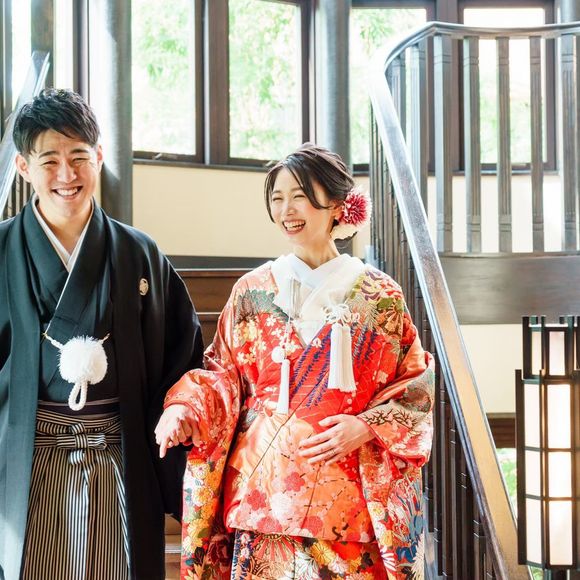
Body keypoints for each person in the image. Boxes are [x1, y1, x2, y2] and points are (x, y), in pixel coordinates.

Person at [155, 143, 434, 579]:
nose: (287, 209)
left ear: (337, 204)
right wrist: (183, 407)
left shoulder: (380, 295)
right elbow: (222, 374)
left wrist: (366, 426)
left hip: (348, 498)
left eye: (300, 196)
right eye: (277, 198)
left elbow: (414, 385)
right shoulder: (252, 290)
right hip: (264, 493)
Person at [0, 88, 204, 580]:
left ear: (99, 157)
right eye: (49, 161)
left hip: (120, 454)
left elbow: (180, 356)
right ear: (24, 166)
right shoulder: (2, 250)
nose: (66, 175)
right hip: (24, 458)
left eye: (78, 157)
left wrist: (178, 414)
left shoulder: (138, 253)